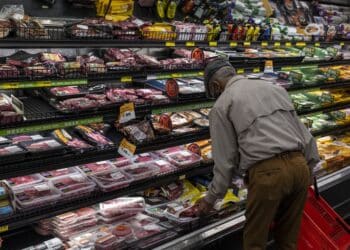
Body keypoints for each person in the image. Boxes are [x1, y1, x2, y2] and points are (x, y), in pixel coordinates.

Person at [195, 59, 320, 250]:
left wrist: (210, 199)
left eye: (214, 93)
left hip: (268, 175)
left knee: (255, 243)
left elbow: (225, 161)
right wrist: (310, 168)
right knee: (288, 242)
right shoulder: (274, 88)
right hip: (300, 166)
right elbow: (304, 133)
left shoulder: (222, 105)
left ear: (215, 85)